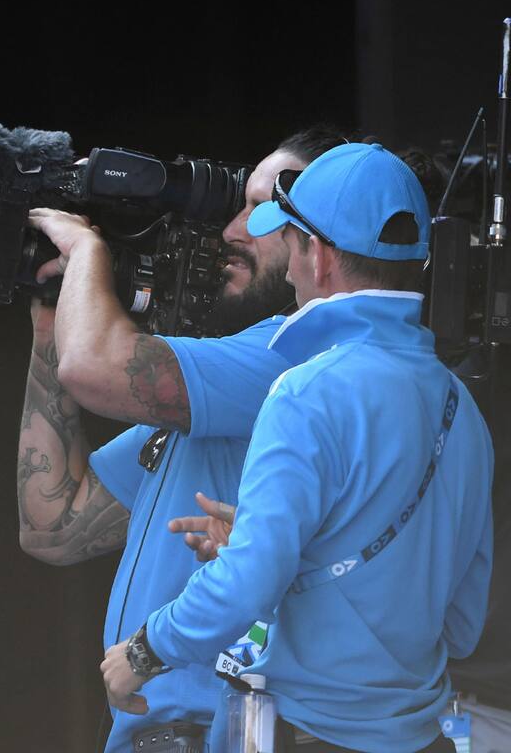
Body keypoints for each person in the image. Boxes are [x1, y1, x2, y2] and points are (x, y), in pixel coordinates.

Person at [99, 142, 493, 752]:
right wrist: (310, 563)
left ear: (321, 255)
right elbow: (463, 626)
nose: (284, 267)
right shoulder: (461, 409)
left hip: (310, 736)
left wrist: (146, 650)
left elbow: (247, 584)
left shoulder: (305, 389)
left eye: (290, 242)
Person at [17, 128, 345, 751]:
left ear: (320, 237)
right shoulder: (225, 380)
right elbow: (52, 526)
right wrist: (47, 322)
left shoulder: (294, 356)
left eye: (262, 209)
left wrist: (87, 251)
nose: (231, 230)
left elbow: (93, 369)